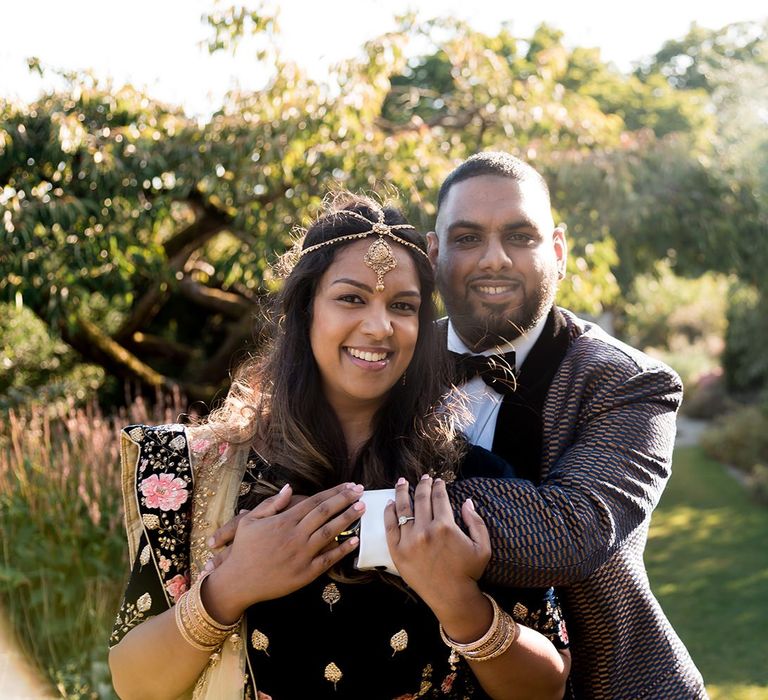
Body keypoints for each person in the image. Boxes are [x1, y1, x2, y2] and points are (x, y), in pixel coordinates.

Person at [108, 194, 570, 700]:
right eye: (351, 298)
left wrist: (458, 600)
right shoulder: (193, 472)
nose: (379, 327)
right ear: (305, 310)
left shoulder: (467, 478)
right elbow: (134, 685)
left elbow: (547, 686)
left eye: (403, 306)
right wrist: (230, 587)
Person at [424, 151, 707, 699]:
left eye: (520, 236)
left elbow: (567, 532)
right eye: (466, 238)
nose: (494, 259)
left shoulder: (630, 382)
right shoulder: (392, 360)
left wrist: (367, 497)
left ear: (557, 250)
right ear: (433, 253)